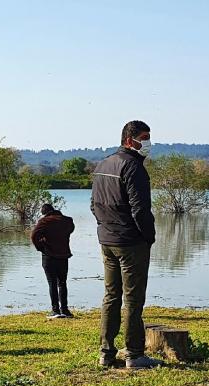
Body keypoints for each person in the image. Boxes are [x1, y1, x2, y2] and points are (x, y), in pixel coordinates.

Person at [91, 120, 162, 369]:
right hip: (131, 242)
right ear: (130, 140)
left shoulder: (103, 165)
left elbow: (94, 206)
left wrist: (106, 228)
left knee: (111, 296)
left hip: (107, 239)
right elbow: (140, 210)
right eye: (144, 137)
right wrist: (148, 236)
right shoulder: (134, 168)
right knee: (133, 300)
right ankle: (134, 354)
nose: (148, 142)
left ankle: (106, 353)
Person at [30, 203, 75, 318]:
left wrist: (41, 247)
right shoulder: (67, 221)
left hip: (49, 255)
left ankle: (55, 310)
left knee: (52, 283)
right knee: (62, 282)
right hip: (63, 255)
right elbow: (71, 230)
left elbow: (34, 235)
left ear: (44, 213)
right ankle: (65, 310)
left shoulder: (44, 221)